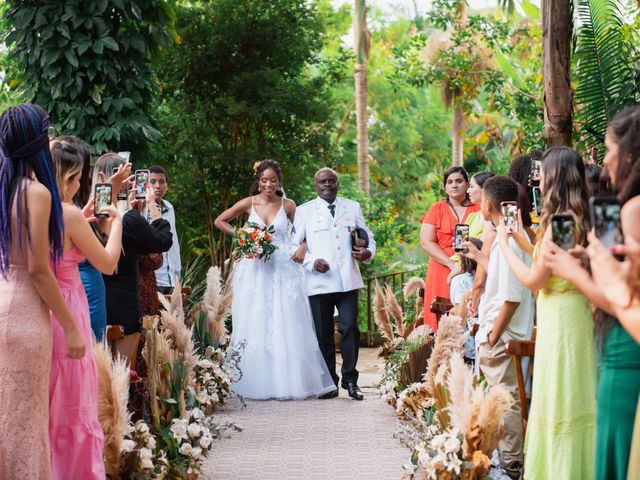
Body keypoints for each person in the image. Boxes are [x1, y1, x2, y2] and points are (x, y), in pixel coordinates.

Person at [542, 106, 640, 480]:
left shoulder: (632, 210)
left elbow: (623, 300)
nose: (604, 161)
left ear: (629, 154)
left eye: (609, 150)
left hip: (625, 348)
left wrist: (575, 273)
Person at [498, 146, 596, 480]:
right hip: (578, 314)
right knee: (578, 391)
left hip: (560, 322)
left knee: (559, 394)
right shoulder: (581, 217)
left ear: (554, 177)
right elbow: (556, 263)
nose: (537, 178)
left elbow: (533, 279)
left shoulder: (557, 222)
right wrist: (523, 242)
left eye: (543, 172)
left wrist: (503, 246)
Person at [0, 103, 85, 479]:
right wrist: (69, 326)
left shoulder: (4, 189)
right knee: (27, 419)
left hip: (3, 301)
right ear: (37, 141)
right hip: (27, 318)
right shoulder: (37, 193)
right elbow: (38, 268)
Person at [214, 160, 336, 400]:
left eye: (273, 180)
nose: (268, 184)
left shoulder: (289, 205)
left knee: (285, 319)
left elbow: (305, 232)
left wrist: (302, 247)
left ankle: (288, 381)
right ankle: (255, 380)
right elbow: (221, 221)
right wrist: (243, 236)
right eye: (264, 180)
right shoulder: (248, 203)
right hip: (254, 270)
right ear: (258, 181)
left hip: (283, 268)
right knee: (255, 319)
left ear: (279, 181)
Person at [49, 140, 124, 479]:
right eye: (78, 179)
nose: (81, 186)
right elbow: (107, 263)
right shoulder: (68, 214)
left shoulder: (39, 208)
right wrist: (118, 219)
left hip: (47, 310)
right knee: (75, 402)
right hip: (70, 309)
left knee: (53, 400)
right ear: (67, 178)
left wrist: (89, 209)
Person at [466, 176, 535, 479]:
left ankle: (512, 468)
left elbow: (511, 297)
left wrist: (493, 335)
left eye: (481, 199)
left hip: (504, 338)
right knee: (496, 406)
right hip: (498, 334)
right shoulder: (506, 237)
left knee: (506, 405)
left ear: (489, 205)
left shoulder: (512, 240)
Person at [292, 167, 376, 401]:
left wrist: (367, 252)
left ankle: (351, 380)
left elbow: (367, 235)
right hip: (319, 282)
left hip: (347, 279)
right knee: (323, 333)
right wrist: (311, 261)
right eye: (322, 182)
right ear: (315, 185)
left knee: (350, 327)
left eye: (331, 181)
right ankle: (329, 382)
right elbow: (292, 246)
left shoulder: (352, 207)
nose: (327, 185)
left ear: (337, 183)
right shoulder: (304, 211)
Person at [94, 154, 173, 336]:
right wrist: (152, 205)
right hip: (124, 303)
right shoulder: (128, 219)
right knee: (123, 363)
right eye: (129, 178)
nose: (133, 184)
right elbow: (163, 240)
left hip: (94, 299)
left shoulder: (89, 216)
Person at [420, 166, 479, 330]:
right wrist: (450, 263)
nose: (454, 185)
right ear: (445, 186)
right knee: (440, 316)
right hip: (441, 268)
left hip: (470, 267)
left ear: (467, 185)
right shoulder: (437, 208)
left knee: (466, 313)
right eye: (450, 182)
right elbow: (426, 242)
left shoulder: (477, 208)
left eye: (459, 181)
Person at [149, 165, 181, 294]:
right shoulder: (141, 209)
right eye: (152, 182)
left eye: (161, 182)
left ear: (167, 185)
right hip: (152, 278)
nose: (157, 186)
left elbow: (174, 243)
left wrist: (178, 274)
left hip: (171, 278)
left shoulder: (169, 207)